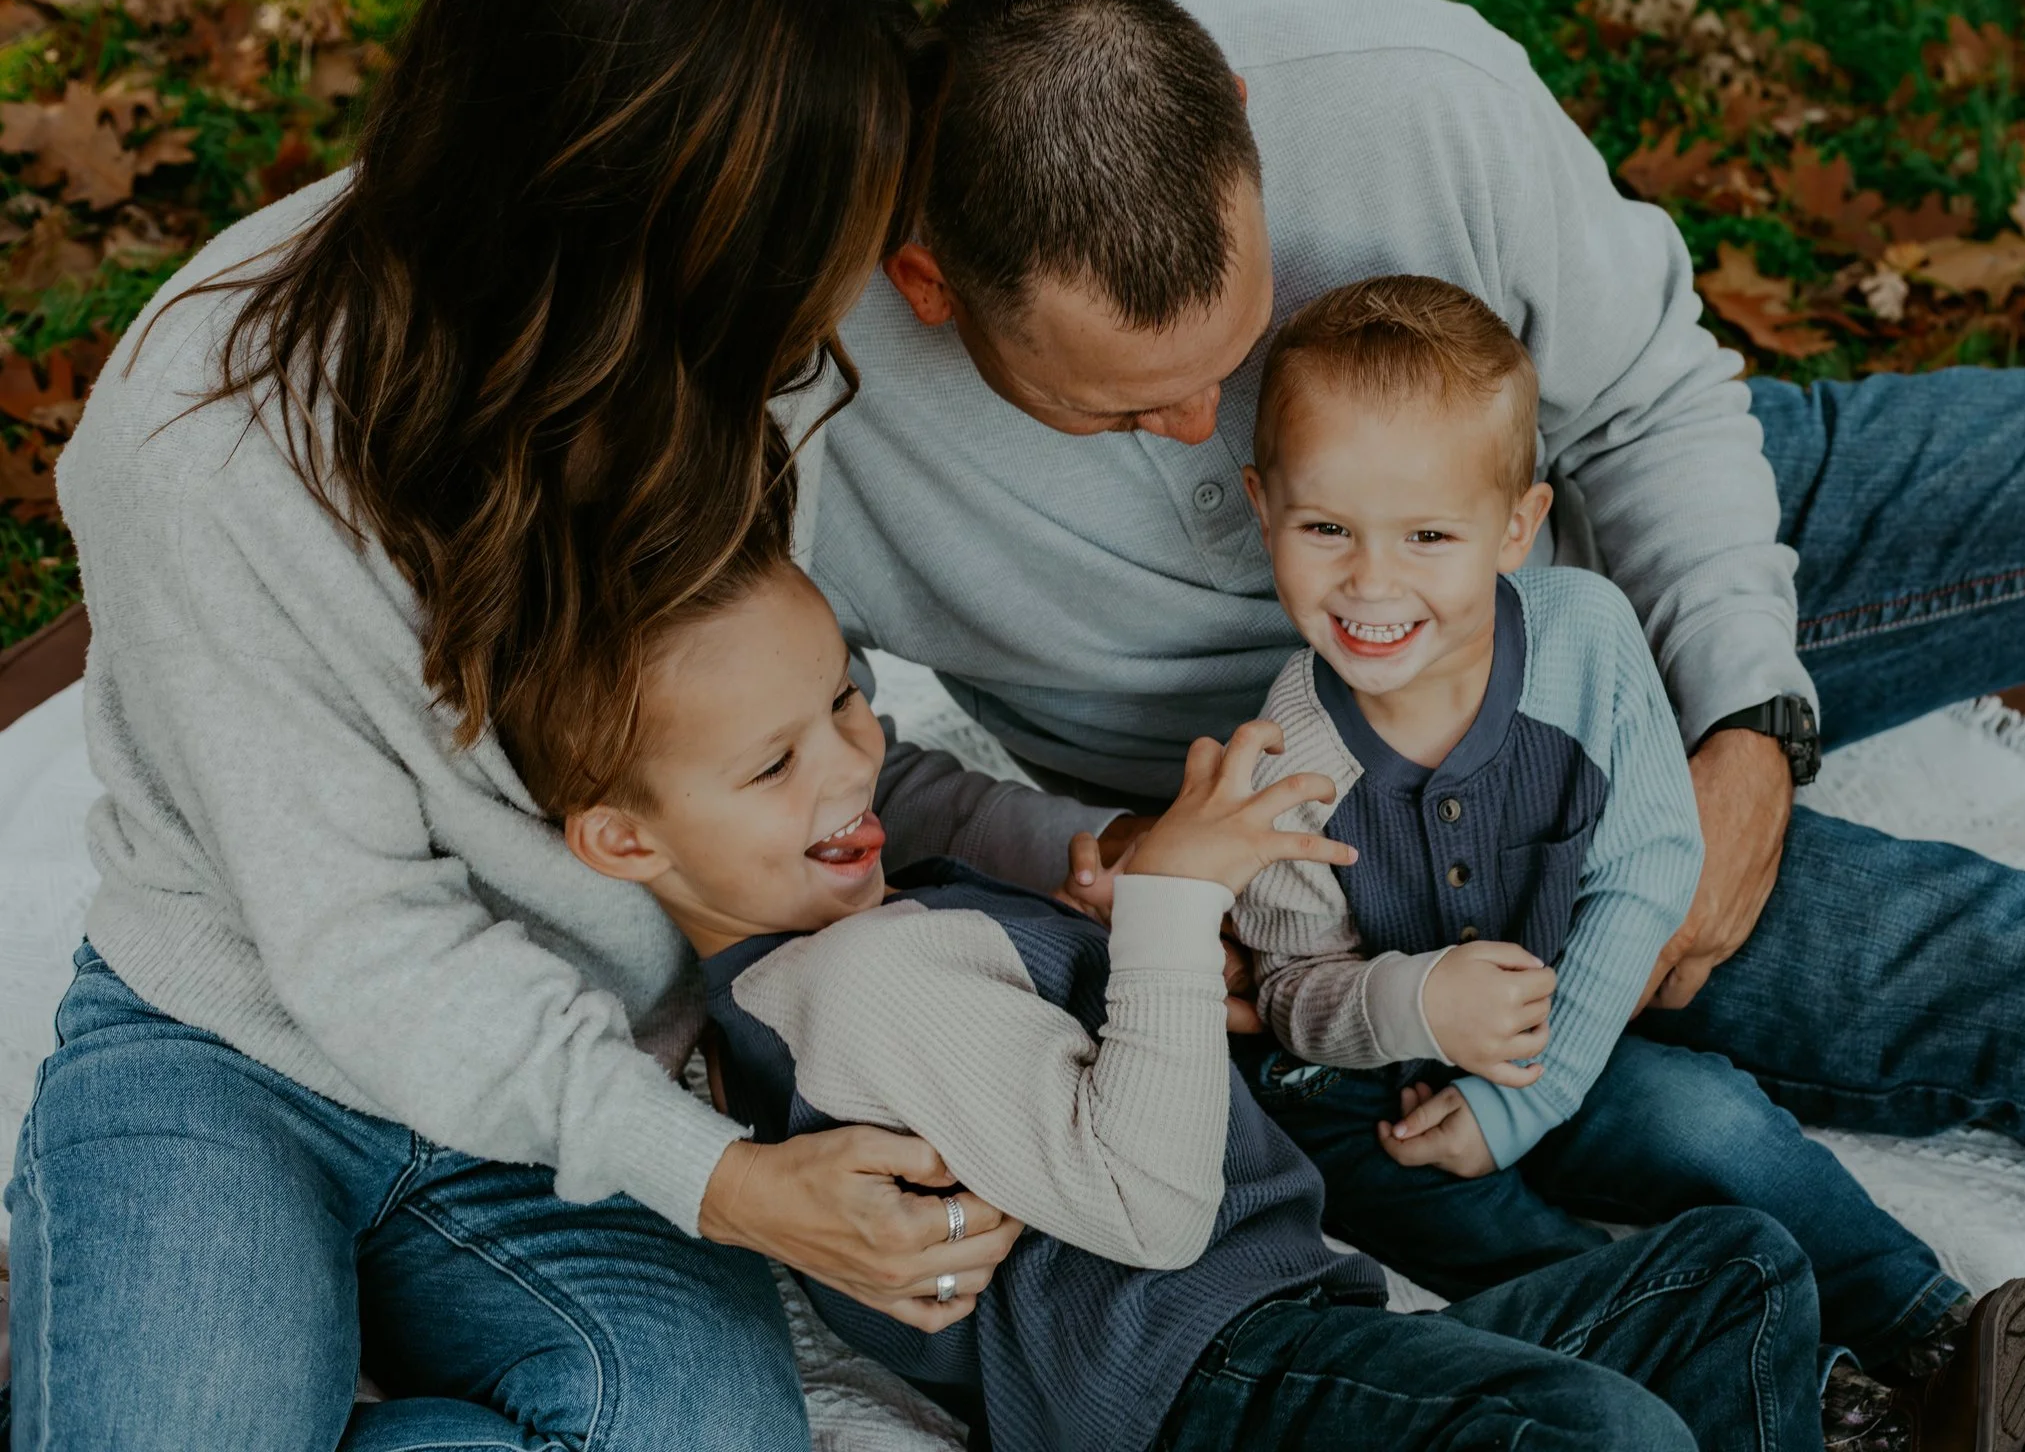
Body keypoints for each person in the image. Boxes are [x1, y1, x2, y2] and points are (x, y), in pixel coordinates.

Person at [810, 0, 2025, 1314]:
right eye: (1122, 412)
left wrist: (1750, 723)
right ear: (932, 283)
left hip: (1599, 530)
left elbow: (1651, 408)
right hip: (1419, 814)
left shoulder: (1393, 81)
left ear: (1241, 119)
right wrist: (1106, 851)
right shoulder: (807, 421)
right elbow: (797, 759)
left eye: (1230, 356)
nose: (1204, 433)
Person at [5, 0, 1077, 1449]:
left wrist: (1055, 869)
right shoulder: (206, 437)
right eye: (794, 247)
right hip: (229, 1050)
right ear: (611, 214)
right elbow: (361, 950)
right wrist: (722, 1184)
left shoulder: (737, 363)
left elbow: (787, 726)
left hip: (572, 1073)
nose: (830, 299)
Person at [537, 535, 1833, 1452]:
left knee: (1736, 1272)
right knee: (1597, 1432)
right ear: (626, 844)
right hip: (1180, 1393)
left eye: (842, 701)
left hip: (1290, 1322)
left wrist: (1116, 883)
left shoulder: (878, 913)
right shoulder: (855, 983)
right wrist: (1171, 909)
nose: (849, 764)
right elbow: (1147, 1211)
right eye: (772, 764)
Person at [1222, 274, 2025, 1452]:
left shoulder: (1584, 635)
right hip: (1371, 1095)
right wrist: (1412, 1004)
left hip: (1575, 1024)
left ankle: (1948, 1340)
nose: (1371, 580)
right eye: (1324, 528)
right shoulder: (1284, 755)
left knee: (1709, 1124)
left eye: (1428, 535)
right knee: (1482, 1227)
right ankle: (1840, 1410)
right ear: (1263, 507)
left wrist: (1531, 1089)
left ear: (1515, 524)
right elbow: (1292, 993)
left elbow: (1647, 870)